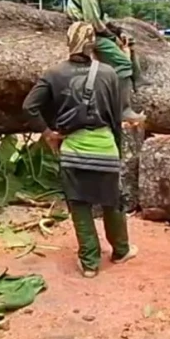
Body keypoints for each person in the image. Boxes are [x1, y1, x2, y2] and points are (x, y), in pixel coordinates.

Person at [22, 21, 137, 278]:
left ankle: (89, 264)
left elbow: (29, 106)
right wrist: (116, 150)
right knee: (112, 201)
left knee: (79, 203)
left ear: (68, 42)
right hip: (105, 147)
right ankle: (121, 251)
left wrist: (48, 132)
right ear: (93, 43)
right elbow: (116, 117)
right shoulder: (109, 74)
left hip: (73, 149)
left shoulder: (54, 74)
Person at [66, 0, 143, 123]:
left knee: (129, 44)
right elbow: (92, 20)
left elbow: (102, 17)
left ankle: (138, 81)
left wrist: (117, 31)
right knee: (122, 63)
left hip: (93, 29)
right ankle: (124, 109)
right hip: (85, 33)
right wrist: (111, 37)